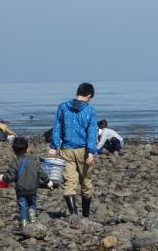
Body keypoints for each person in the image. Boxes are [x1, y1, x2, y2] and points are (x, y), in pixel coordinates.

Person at [48, 83, 98, 217]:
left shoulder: (63, 107)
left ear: (77, 92)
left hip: (66, 149)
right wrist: (91, 151)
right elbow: (92, 131)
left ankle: (74, 215)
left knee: (69, 183)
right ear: (88, 96)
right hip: (84, 150)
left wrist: (53, 147)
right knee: (86, 182)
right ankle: (86, 215)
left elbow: (57, 127)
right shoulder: (90, 110)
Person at [0, 137, 53, 230]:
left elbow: (10, 177)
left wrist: (2, 178)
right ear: (27, 149)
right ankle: (33, 218)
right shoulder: (33, 161)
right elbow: (41, 172)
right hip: (33, 188)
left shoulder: (14, 163)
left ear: (13, 150)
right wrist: (48, 181)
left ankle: (24, 224)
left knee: (23, 206)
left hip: (21, 189)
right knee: (32, 203)